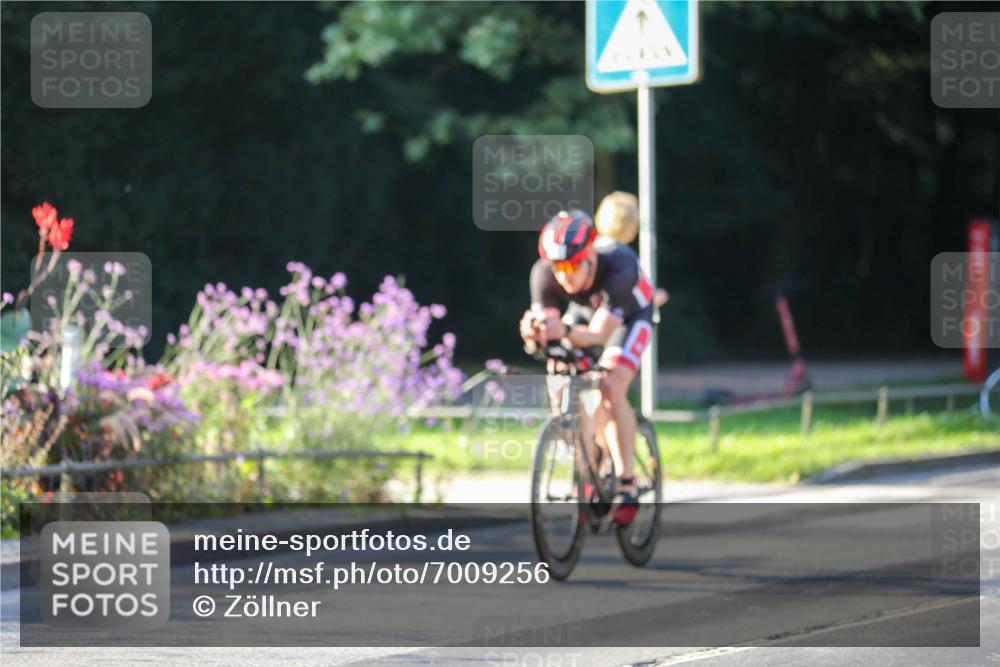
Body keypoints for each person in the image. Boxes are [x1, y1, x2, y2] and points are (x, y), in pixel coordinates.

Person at [519, 209, 656, 525]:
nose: (564, 275)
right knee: (559, 374)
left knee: (610, 384)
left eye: (572, 265)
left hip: (630, 318)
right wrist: (533, 334)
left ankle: (626, 482)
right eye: (557, 267)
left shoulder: (619, 267)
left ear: (590, 255)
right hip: (585, 315)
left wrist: (562, 331)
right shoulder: (543, 274)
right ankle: (587, 465)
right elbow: (548, 333)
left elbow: (598, 336)